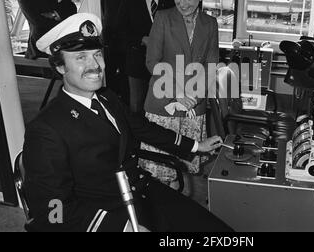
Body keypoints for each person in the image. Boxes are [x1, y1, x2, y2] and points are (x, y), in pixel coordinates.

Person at [22, 13, 233, 232]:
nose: (95, 65)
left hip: (139, 190)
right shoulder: (46, 129)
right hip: (103, 214)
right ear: (60, 67)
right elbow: (50, 210)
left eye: (97, 55)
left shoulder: (106, 97)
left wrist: (196, 146)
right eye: (81, 58)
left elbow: (142, 128)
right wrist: (119, 229)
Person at [142, 0, 219, 193]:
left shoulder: (210, 24)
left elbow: (211, 66)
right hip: (163, 103)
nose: (182, 3)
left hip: (194, 106)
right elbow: (152, 62)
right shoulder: (163, 18)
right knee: (161, 169)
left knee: (183, 165)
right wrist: (178, 92)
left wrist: (195, 97)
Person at [124, 0, 175, 113]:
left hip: (166, 65)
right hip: (137, 64)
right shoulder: (129, 1)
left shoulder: (171, 1)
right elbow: (120, 31)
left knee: (164, 105)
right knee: (137, 106)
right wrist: (141, 39)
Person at [101, 0, 133, 105]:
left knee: (128, 87)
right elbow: (103, 17)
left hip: (129, 49)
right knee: (109, 84)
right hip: (109, 48)